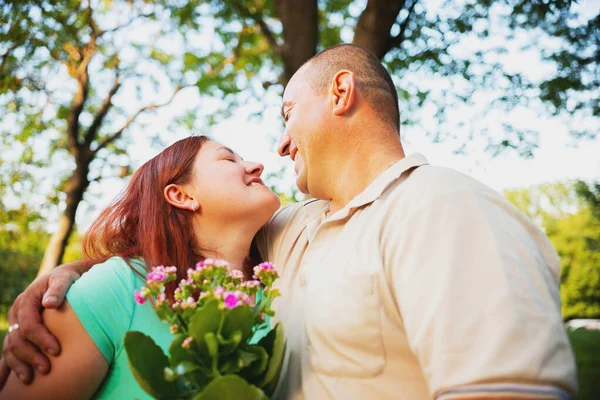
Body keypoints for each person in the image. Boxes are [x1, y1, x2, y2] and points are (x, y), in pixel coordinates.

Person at [1, 44, 577, 399]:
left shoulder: (442, 208)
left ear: (341, 93)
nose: (275, 146)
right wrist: (71, 275)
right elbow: (174, 250)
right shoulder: (289, 233)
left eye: (287, 113)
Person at [0, 135, 281, 399]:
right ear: (182, 196)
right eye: (228, 160)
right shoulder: (115, 287)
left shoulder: (283, 283)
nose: (256, 166)